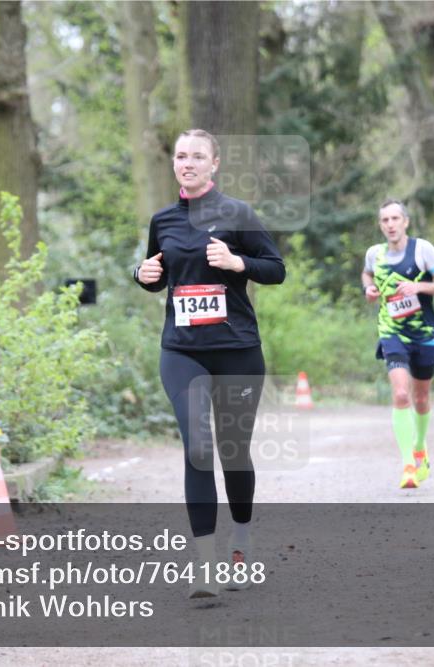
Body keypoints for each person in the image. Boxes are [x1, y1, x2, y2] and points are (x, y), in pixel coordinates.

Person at [134, 129, 286, 598]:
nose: (188, 163)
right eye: (181, 156)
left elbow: (275, 268)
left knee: (232, 451)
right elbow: (156, 275)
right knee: (199, 447)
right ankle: (204, 566)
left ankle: (241, 536)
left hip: (237, 349)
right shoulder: (163, 220)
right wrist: (142, 275)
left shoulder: (237, 213)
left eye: (198, 156)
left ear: (215, 163)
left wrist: (238, 262)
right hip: (181, 351)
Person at [361, 199, 434, 489]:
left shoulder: (422, 249)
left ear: (406, 222)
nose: (390, 225)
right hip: (392, 333)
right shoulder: (374, 254)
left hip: (425, 334)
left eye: (394, 219)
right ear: (381, 225)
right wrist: (368, 288)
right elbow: (366, 273)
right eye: (384, 220)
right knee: (402, 394)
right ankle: (408, 466)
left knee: (422, 398)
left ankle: (419, 446)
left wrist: (419, 286)